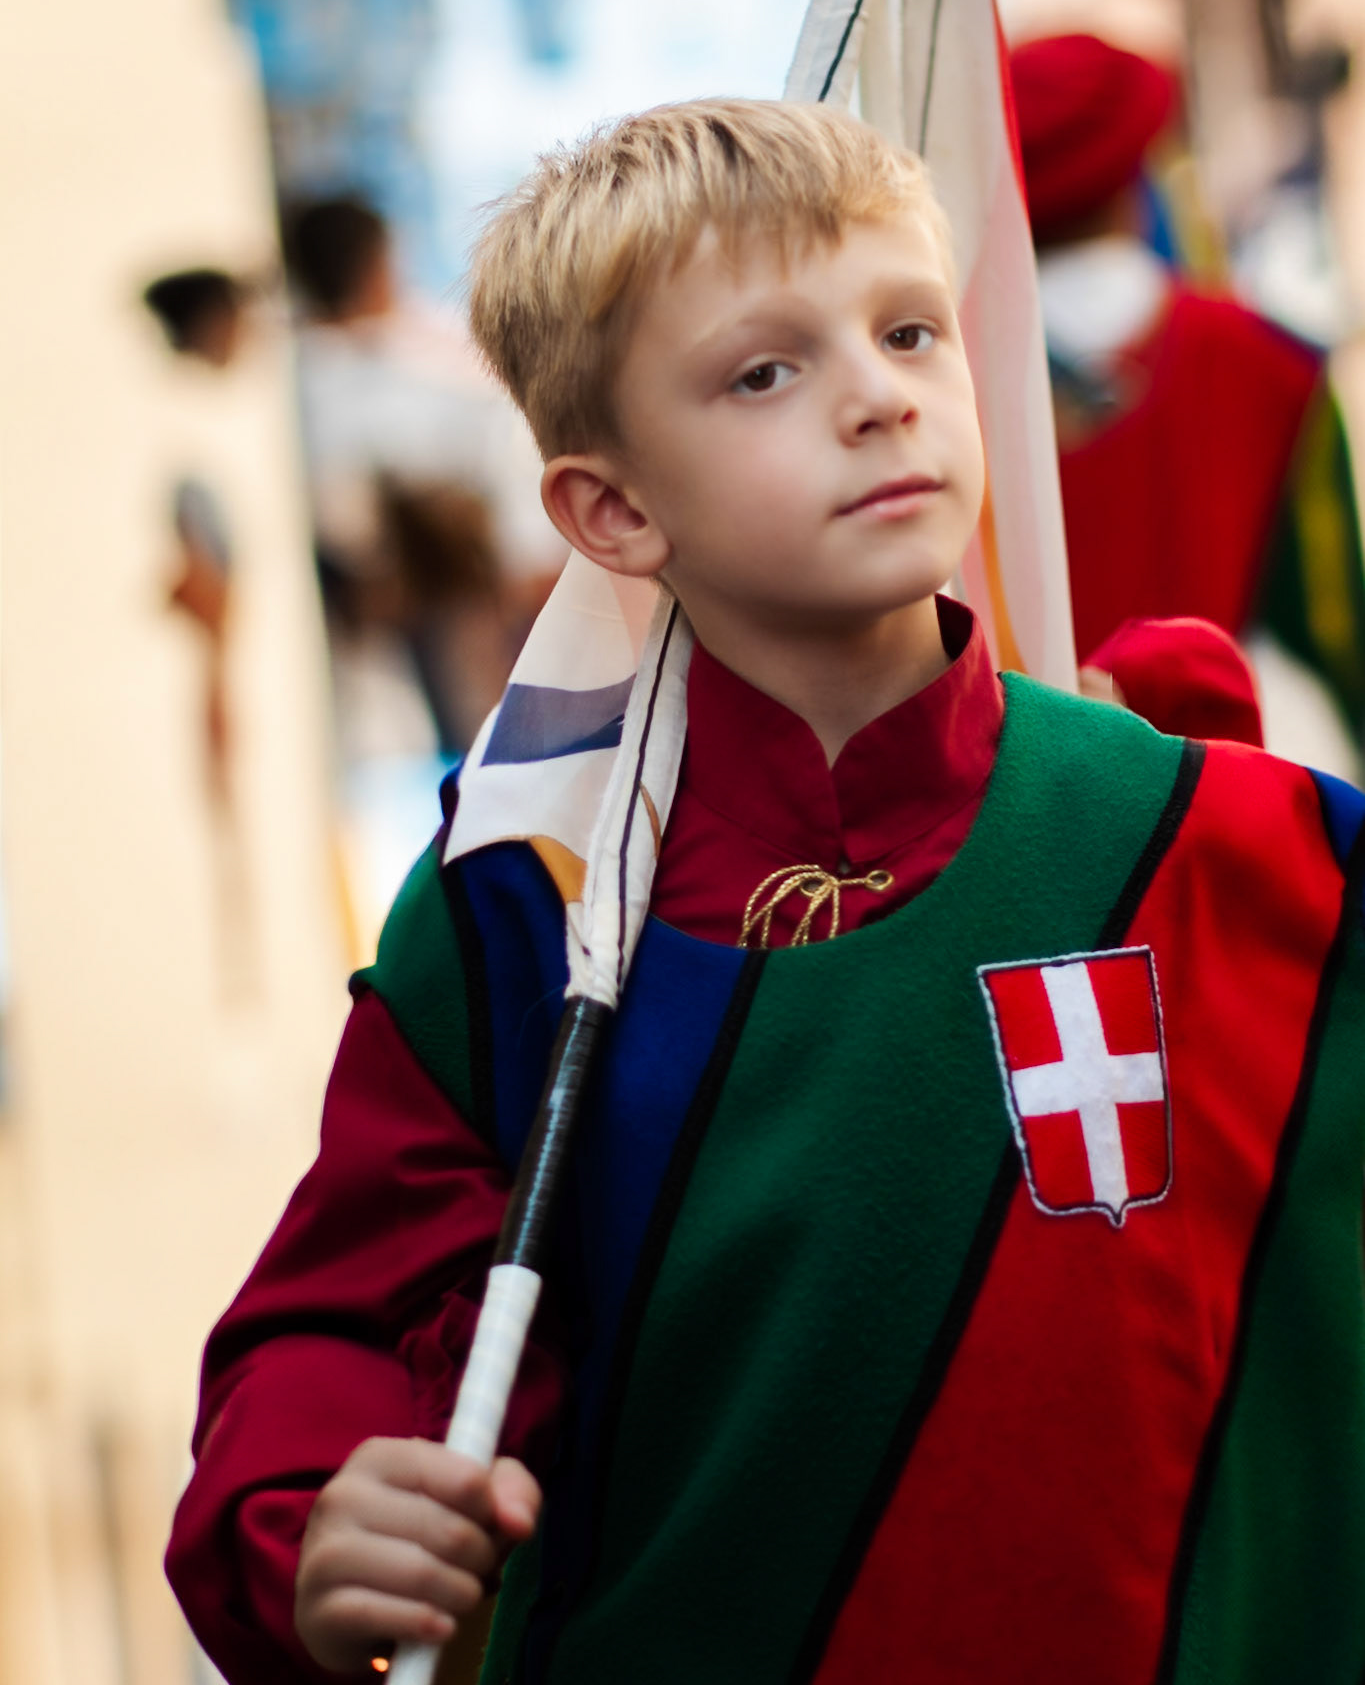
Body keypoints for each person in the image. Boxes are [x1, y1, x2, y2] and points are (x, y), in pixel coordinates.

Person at [168, 101, 1365, 1683]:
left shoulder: (1227, 838)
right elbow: (340, 1333)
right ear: (613, 511)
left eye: (909, 331)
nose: (876, 397)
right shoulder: (524, 907)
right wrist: (317, 1514)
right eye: (765, 370)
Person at [1011, 30, 1365, 750]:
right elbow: (1329, 621)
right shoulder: (1272, 361)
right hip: (1249, 766)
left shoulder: (947, 391)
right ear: (1135, 182)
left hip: (1039, 788)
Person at [283, 195, 563, 758]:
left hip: (479, 578)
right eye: (391, 261)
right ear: (369, 269)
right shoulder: (342, 381)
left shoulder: (388, 356)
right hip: (453, 586)